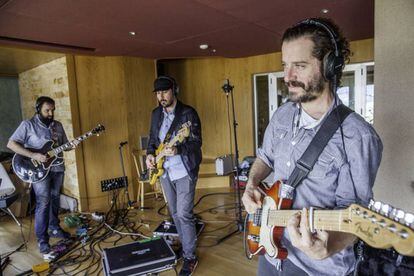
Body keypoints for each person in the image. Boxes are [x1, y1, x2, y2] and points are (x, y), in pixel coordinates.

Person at [242, 18, 383, 276]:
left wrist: (327, 248)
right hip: (271, 254)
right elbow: (265, 158)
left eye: (300, 66)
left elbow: (356, 217)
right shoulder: (282, 115)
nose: (287, 77)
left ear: (329, 66)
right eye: (285, 65)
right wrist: (252, 183)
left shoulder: (358, 137)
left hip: (317, 268)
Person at [7, 96, 78, 257]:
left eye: (53, 110)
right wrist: (34, 155)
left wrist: (71, 146)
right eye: (47, 110)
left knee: (54, 199)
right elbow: (11, 144)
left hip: (57, 167)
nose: (51, 113)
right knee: (43, 202)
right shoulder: (28, 125)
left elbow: (63, 146)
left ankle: (54, 228)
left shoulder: (57, 126)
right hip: (39, 171)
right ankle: (42, 240)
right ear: (38, 109)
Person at [146, 76, 202, 276]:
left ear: (174, 90)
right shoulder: (155, 114)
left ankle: (190, 257)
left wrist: (178, 150)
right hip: (164, 171)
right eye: (158, 93)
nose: (161, 96)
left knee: (184, 213)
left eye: (164, 92)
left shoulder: (188, 114)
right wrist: (150, 156)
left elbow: (196, 143)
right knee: (175, 213)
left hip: (184, 170)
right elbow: (152, 140)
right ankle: (186, 245)